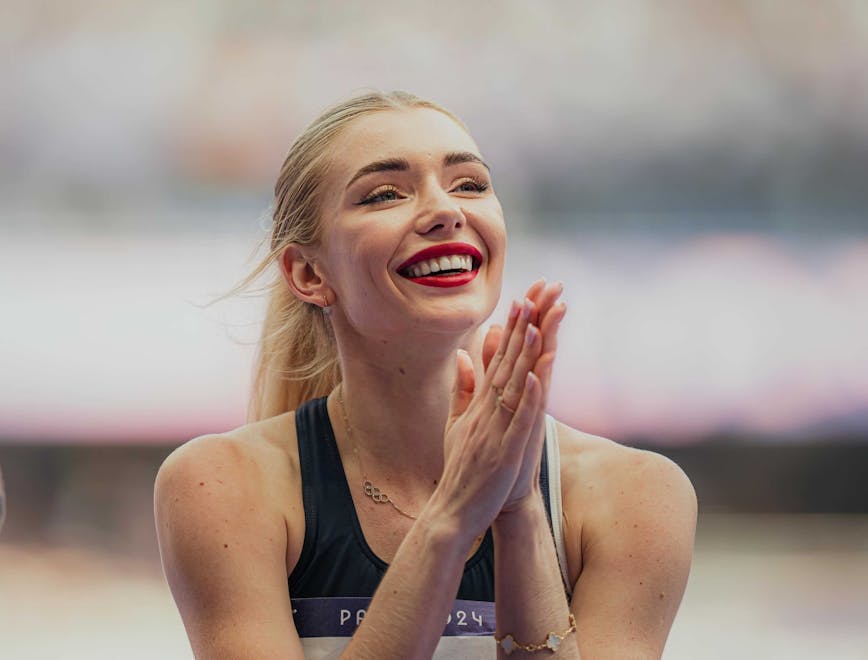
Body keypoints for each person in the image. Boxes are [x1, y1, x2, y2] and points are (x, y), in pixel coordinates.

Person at [154, 91, 697, 659]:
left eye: (470, 184)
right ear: (309, 273)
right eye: (385, 194)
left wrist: (519, 513)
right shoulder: (220, 484)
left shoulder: (636, 495)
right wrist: (451, 518)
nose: (447, 210)